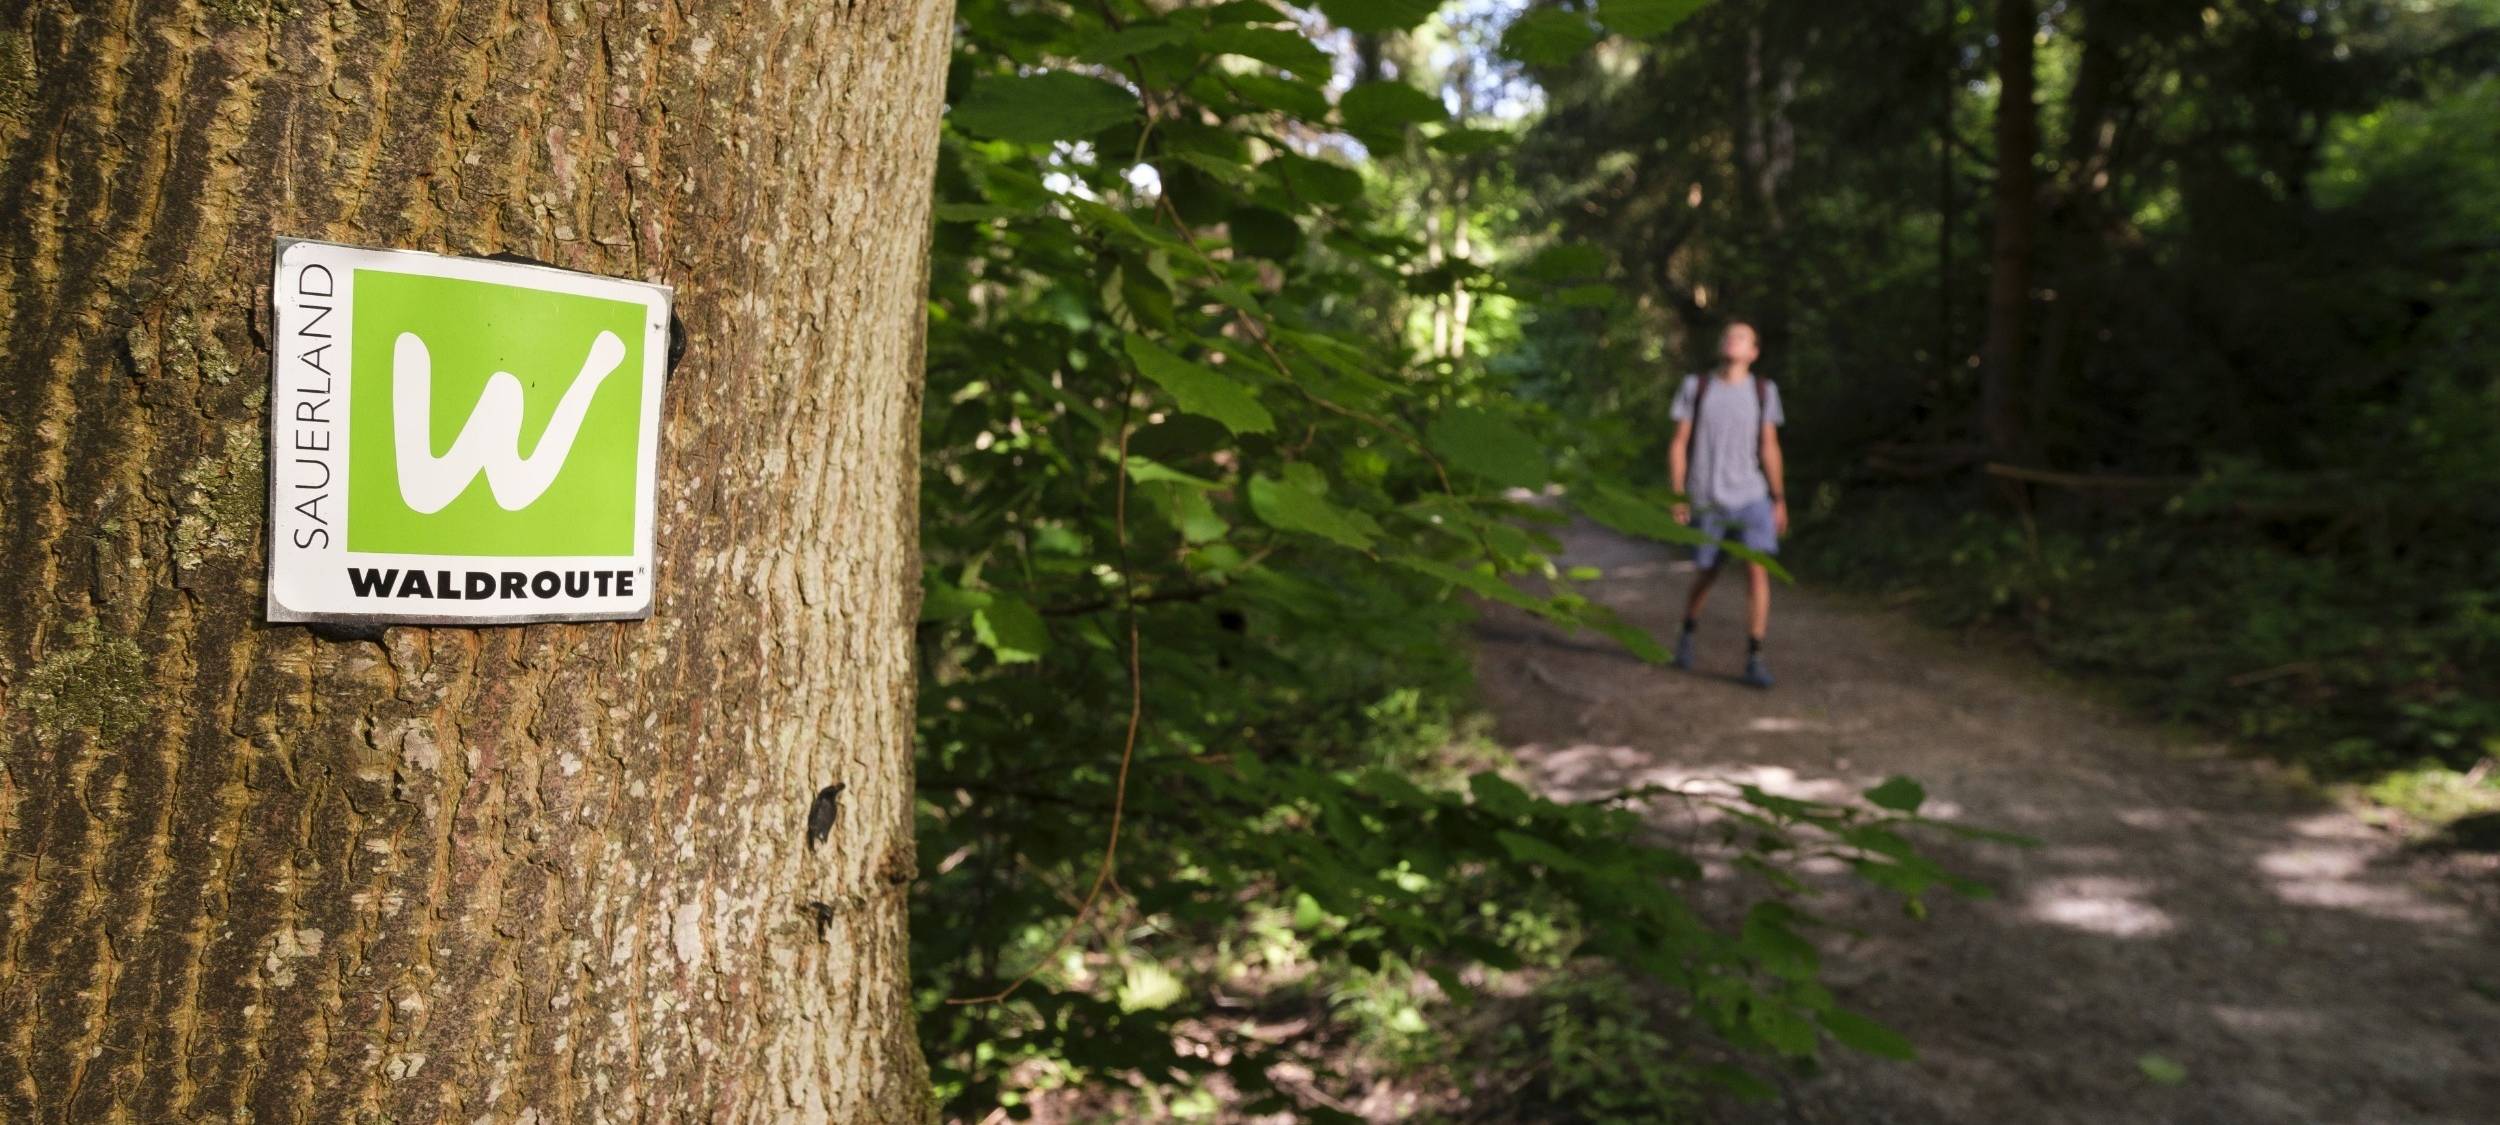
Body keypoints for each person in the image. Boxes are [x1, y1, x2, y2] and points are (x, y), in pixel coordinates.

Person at [1667, 320, 1787, 688]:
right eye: (1728, 334)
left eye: (1742, 336)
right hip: (1708, 498)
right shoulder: (1696, 387)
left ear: (1753, 352)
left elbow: (1769, 445)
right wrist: (1678, 493)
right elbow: (1678, 443)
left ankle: (1755, 655)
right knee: (1708, 571)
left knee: (1757, 570)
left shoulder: (1764, 391)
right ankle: (1687, 631)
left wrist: (1779, 498)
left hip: (1752, 495)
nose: (1732, 339)